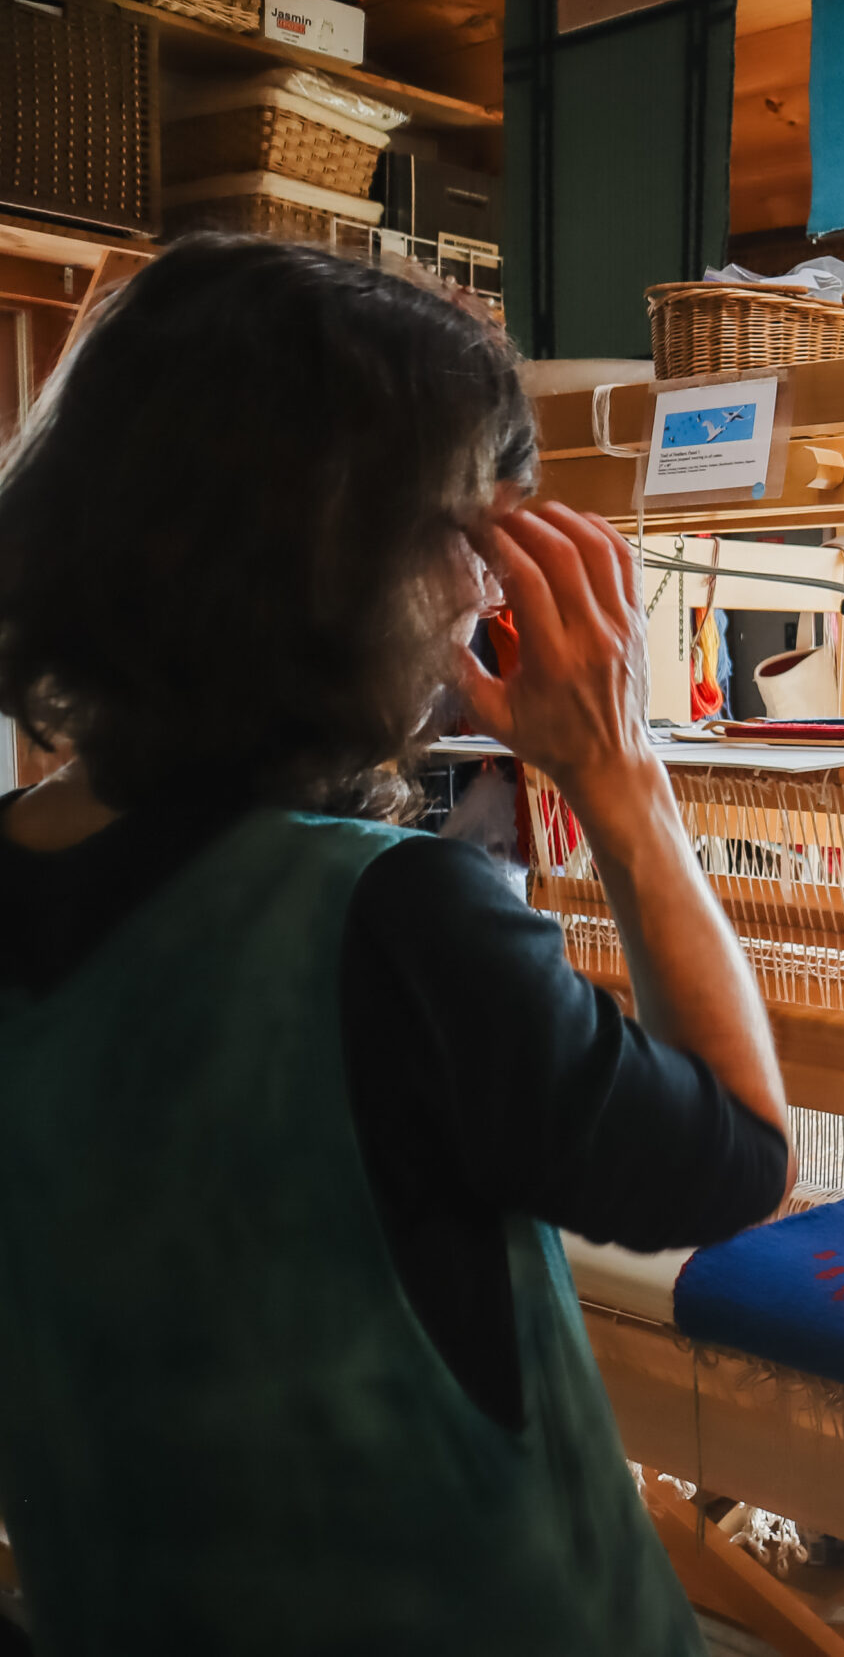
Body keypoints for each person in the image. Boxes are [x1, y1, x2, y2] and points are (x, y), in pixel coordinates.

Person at [0, 236, 790, 1653]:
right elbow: (733, 1156)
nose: (486, 591)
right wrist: (621, 777)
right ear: (329, 554)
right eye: (465, 534)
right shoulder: (390, 920)